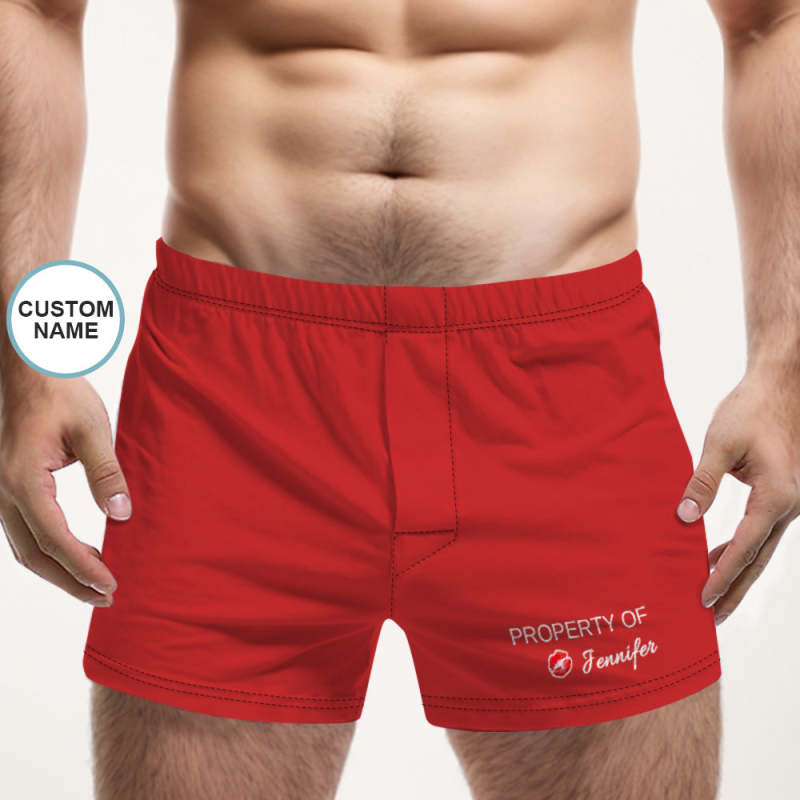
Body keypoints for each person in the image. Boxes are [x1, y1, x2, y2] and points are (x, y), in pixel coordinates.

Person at [1, 1, 798, 798]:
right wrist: (25, 360)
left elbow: (773, 20)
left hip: (563, 395)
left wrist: (783, 363)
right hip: (231, 406)